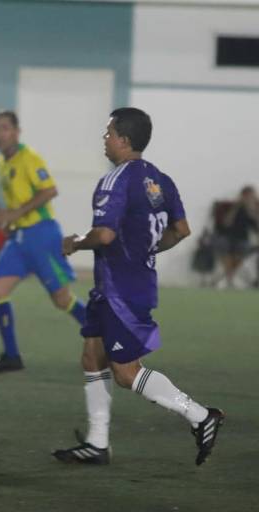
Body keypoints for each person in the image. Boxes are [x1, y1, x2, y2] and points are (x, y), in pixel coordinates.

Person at [54, 107, 224, 466]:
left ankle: (200, 415)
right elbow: (181, 230)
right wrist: (144, 250)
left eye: (108, 133)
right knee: (92, 355)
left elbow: (104, 234)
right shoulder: (161, 180)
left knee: (126, 372)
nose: (104, 139)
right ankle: (97, 443)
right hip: (122, 286)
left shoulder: (116, 180)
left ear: (124, 140)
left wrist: (75, 242)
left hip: (120, 291)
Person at [0, 110, 86, 372]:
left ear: (17, 132)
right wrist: (10, 220)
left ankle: (106, 338)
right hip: (18, 239)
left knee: (62, 299)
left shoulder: (29, 158)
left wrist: (16, 213)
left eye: (5, 128)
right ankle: (12, 356)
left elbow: (50, 190)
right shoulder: (1, 161)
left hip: (41, 235)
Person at [213, 186, 258, 288]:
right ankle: (229, 280)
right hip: (226, 237)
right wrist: (236, 207)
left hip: (242, 239)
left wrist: (253, 211)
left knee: (242, 250)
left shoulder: (252, 210)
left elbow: (256, 228)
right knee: (224, 247)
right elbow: (226, 223)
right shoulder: (230, 206)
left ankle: (227, 278)